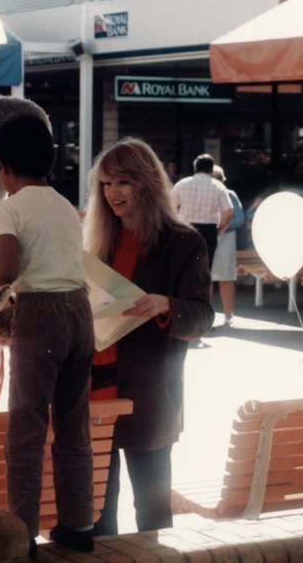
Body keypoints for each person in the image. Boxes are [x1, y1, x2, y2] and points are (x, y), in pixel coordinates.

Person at [0, 116, 95, 557]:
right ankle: (78, 525)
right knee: (74, 427)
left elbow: (7, 270)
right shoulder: (64, 205)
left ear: (1, 165)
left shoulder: (8, 208)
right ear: (51, 161)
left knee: (27, 430)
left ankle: (23, 534)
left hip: (41, 315)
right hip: (79, 312)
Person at [83, 138, 213, 533]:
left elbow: (203, 317)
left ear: (147, 183)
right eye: (105, 184)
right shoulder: (98, 240)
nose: (112, 193)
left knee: (153, 515)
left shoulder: (183, 241)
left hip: (149, 393)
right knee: (98, 513)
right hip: (96, 388)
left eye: (122, 182)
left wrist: (165, 305)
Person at [170, 153, 232, 270]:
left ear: (195, 167)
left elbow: (169, 205)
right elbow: (228, 211)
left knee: (184, 267)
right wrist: (219, 230)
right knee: (205, 269)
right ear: (211, 169)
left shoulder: (182, 183)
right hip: (209, 230)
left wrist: (175, 224)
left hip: (186, 228)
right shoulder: (218, 186)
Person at [210, 165, 243, 326]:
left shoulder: (230, 195)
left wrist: (221, 226)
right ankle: (206, 316)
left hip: (226, 240)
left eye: (217, 177)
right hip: (208, 238)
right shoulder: (204, 194)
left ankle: (228, 315)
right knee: (205, 279)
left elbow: (239, 219)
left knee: (226, 279)